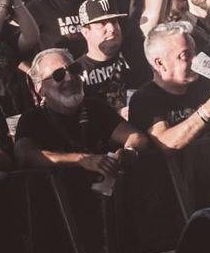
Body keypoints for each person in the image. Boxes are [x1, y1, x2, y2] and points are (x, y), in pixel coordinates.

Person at [15, 48, 146, 179]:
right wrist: (82, 160)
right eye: (58, 75)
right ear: (40, 89)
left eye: (74, 69)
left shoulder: (96, 108)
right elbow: (25, 155)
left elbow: (137, 137)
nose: (69, 78)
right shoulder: (32, 119)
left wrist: (129, 152)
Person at [129, 21, 210, 148]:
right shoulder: (145, 99)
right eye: (185, 55)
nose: (195, 60)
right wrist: (208, 110)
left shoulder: (207, 85)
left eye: (194, 52)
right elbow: (166, 143)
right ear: (160, 63)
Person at [75, 0, 147, 116]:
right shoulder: (76, 73)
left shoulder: (135, 59)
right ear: (85, 32)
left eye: (114, 21)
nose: (112, 29)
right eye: (102, 24)